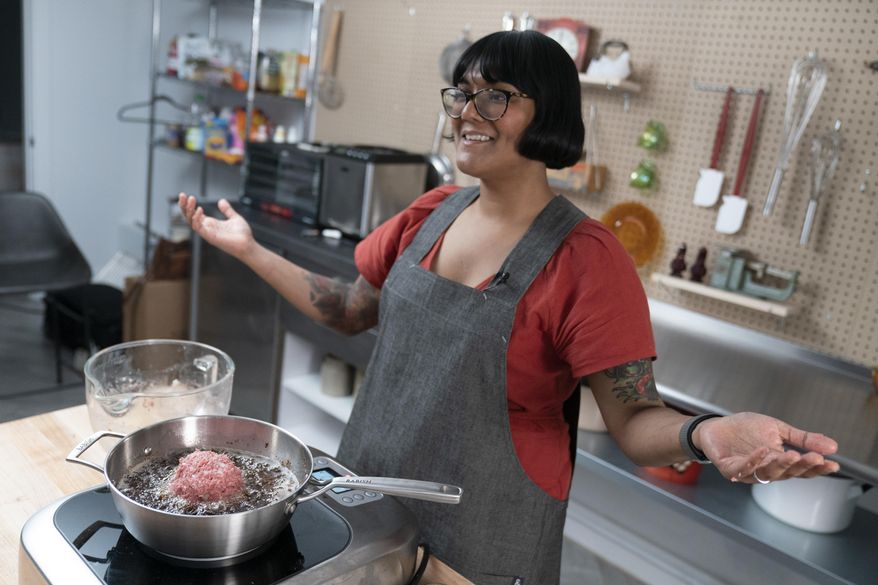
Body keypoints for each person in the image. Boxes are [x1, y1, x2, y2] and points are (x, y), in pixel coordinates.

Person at [179, 30, 840, 585]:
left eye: (495, 96)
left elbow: (634, 418)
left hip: (484, 541)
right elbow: (349, 309)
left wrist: (706, 434)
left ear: (548, 113)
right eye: (462, 93)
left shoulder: (586, 259)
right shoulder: (431, 213)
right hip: (367, 507)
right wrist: (250, 249)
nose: (469, 112)